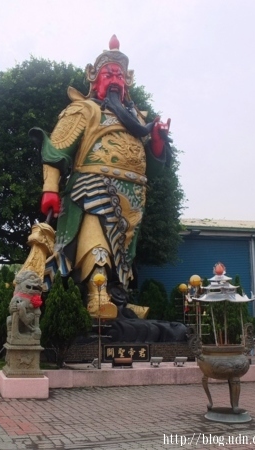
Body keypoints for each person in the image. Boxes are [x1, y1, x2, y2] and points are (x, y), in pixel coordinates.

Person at [30, 35, 171, 319]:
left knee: (124, 252)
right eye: (109, 74)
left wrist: (157, 141)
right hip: (93, 187)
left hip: (133, 197)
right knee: (97, 241)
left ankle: (119, 300)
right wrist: (50, 188)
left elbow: (154, 168)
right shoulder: (83, 109)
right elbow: (56, 151)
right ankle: (96, 295)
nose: (115, 80)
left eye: (119, 75)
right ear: (95, 79)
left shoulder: (138, 121)